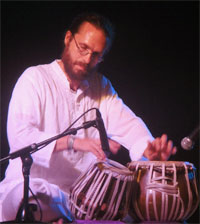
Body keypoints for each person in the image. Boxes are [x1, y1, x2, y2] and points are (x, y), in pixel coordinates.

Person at [0, 12, 176, 223]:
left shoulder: (101, 87)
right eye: (83, 48)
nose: (86, 59)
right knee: (27, 199)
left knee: (139, 215)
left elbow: (129, 125)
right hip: (33, 189)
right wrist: (75, 142)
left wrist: (148, 149)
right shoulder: (35, 78)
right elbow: (20, 137)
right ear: (68, 38)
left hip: (81, 201)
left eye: (96, 55)